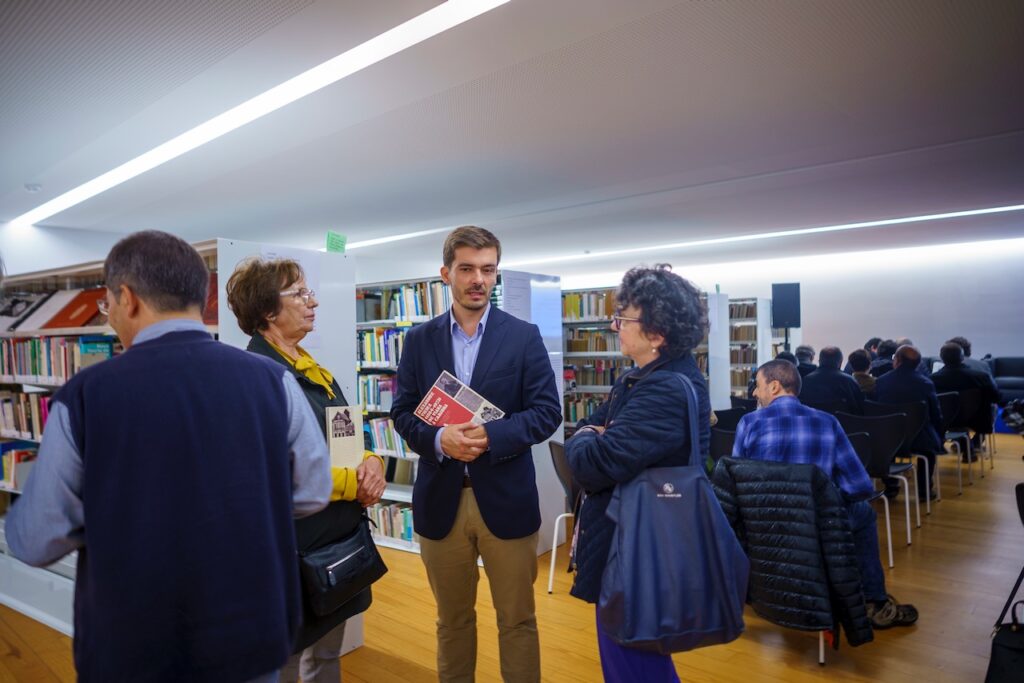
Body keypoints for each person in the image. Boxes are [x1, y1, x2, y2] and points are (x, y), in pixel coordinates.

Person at [5, 231, 332, 683]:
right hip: (249, 633)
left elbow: (35, 539)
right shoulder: (273, 381)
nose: (111, 316)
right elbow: (313, 490)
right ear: (199, 297)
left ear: (127, 297)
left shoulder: (86, 396)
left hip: (133, 646)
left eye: (108, 305)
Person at [390, 226, 561, 683]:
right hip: (441, 500)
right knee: (452, 622)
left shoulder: (523, 336)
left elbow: (548, 413)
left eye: (487, 270)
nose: (478, 279)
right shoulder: (419, 340)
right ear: (446, 273)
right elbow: (403, 414)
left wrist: (492, 435)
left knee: (518, 621)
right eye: (467, 269)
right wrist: (437, 440)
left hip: (505, 497)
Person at [226, 257, 387, 683]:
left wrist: (371, 462)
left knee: (328, 655)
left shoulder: (315, 370)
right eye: (299, 293)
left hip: (337, 544)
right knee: (287, 662)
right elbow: (274, 470)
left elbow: (346, 438)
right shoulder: (257, 377)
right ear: (266, 310)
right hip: (292, 552)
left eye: (308, 291)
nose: (312, 301)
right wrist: (355, 483)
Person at [566, 264, 711, 681]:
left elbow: (593, 464)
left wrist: (585, 437)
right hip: (631, 540)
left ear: (657, 331)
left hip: (639, 548)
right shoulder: (639, 378)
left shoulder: (664, 387)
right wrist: (592, 432)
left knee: (633, 661)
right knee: (628, 654)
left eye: (623, 318)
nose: (614, 326)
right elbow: (596, 431)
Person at [732, 359, 918, 629]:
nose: (753, 393)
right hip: (817, 525)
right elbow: (860, 486)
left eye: (757, 386)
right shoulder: (827, 422)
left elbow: (738, 480)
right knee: (864, 514)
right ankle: (872, 601)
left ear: (773, 387)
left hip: (763, 529)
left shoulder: (748, 423)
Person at [874, 345, 944, 498]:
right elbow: (935, 415)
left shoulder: (881, 382)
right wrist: (940, 436)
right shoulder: (925, 383)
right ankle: (924, 490)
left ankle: (891, 486)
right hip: (919, 439)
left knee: (888, 442)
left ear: (897, 360)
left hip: (888, 439)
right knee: (929, 450)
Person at [931, 342, 1003, 450]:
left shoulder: (932, 380)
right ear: (962, 357)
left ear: (942, 358)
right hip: (977, 421)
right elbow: (997, 398)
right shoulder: (981, 377)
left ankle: (961, 444)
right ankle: (973, 444)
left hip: (945, 420)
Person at [799, 346, 865, 413]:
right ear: (840, 362)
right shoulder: (849, 382)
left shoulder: (805, 381)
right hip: (842, 422)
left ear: (819, 361)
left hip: (811, 422)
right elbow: (860, 409)